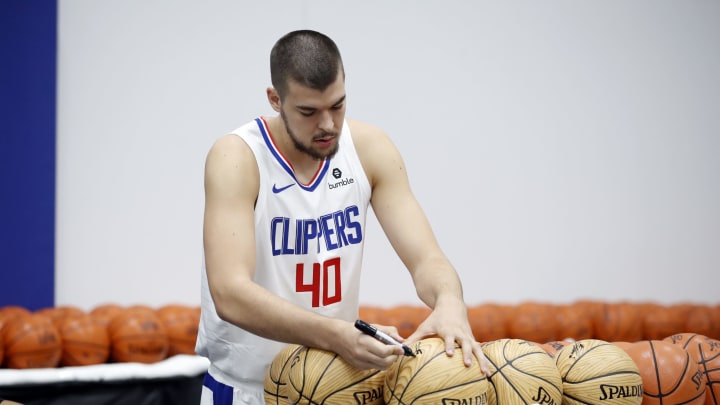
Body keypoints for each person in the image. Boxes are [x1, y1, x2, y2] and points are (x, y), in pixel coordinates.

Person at [196, 29, 489, 404]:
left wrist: (450, 301)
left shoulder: (369, 148)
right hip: (249, 391)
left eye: (337, 105)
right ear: (275, 99)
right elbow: (230, 294)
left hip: (336, 387)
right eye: (308, 111)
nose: (328, 125)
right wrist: (336, 333)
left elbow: (426, 258)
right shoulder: (236, 158)